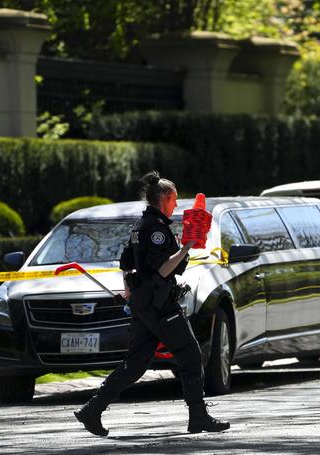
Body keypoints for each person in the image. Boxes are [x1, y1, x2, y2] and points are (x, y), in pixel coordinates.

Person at [74, 171, 230, 437]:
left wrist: (129, 292)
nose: (177, 204)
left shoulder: (141, 225)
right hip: (160, 306)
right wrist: (186, 247)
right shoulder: (157, 229)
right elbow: (162, 269)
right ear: (165, 198)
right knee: (191, 354)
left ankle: (93, 409)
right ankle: (198, 417)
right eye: (175, 199)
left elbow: (125, 262)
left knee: (135, 363)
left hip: (144, 304)